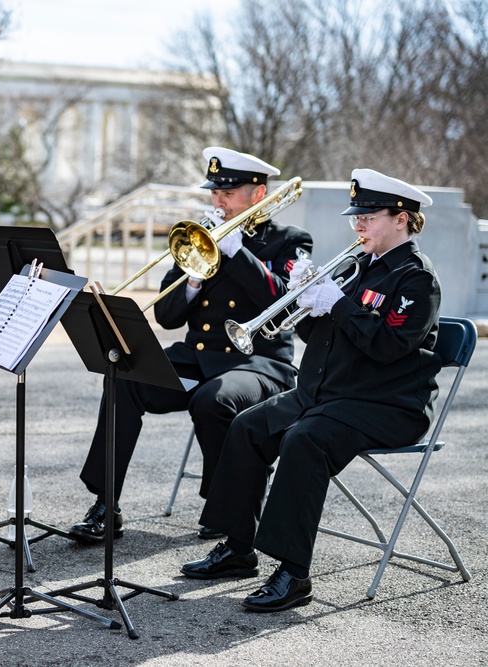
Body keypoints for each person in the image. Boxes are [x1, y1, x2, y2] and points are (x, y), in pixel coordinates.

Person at [180, 169, 440, 613]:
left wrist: (335, 303)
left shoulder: (416, 279)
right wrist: (306, 300)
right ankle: (239, 547)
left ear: (402, 219)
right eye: (355, 216)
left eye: (369, 216)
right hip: (329, 394)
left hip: (384, 405)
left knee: (304, 440)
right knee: (247, 426)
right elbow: (324, 337)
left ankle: (293, 572)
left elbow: (388, 346)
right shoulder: (360, 266)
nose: (357, 226)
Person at [69, 147, 313, 544]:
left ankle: (225, 507)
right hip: (199, 359)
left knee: (213, 401)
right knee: (122, 376)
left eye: (228, 193)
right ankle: (105, 504)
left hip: (260, 364)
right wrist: (195, 275)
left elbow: (283, 303)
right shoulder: (201, 239)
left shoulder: (289, 241)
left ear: (258, 193)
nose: (218, 201)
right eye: (214, 193)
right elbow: (167, 317)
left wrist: (237, 253)